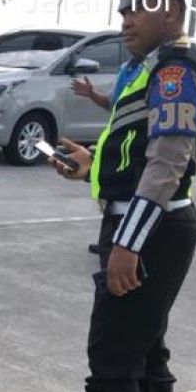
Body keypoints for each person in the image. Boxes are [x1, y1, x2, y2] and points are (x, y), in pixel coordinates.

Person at [12, 0, 196, 392]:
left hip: (150, 228)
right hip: (156, 224)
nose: (126, 17)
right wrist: (89, 163)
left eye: (139, 7)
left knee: (112, 358)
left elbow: (169, 162)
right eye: (124, 7)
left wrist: (127, 243)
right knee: (146, 350)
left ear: (171, 10)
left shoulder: (174, 70)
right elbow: (138, 148)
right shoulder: (153, 67)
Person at [72, 56, 144, 254]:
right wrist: (92, 94)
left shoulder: (150, 71)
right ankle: (107, 241)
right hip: (115, 136)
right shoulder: (125, 69)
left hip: (133, 142)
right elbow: (111, 103)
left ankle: (120, 245)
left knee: (125, 192)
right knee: (108, 193)